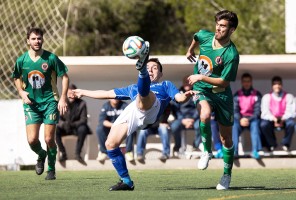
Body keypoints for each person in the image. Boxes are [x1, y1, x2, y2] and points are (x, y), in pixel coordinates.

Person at [73, 42, 195, 191]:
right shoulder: (132, 88)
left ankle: (140, 70)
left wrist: (187, 96)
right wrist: (82, 92)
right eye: (148, 68)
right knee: (110, 144)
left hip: (151, 110)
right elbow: (106, 94)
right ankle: (126, 181)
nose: (151, 70)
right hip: (134, 110)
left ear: (160, 74)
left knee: (144, 95)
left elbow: (180, 98)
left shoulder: (165, 85)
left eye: (154, 68)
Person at [186, 10, 239, 190]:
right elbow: (196, 35)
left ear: (231, 30)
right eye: (217, 23)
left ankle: (226, 175)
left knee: (226, 139)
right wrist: (190, 49)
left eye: (223, 25)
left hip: (222, 94)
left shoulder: (231, 54)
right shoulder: (206, 36)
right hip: (202, 91)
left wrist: (200, 77)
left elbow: (224, 81)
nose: (218, 27)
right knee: (205, 114)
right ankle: (206, 151)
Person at [12, 27, 69, 180]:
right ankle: (41, 154)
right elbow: (16, 77)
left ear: (42, 39)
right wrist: (21, 92)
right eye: (33, 38)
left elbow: (64, 77)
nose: (37, 41)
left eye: (39, 38)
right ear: (27, 41)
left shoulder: (51, 58)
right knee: (32, 140)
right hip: (31, 104)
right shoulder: (21, 60)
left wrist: (63, 98)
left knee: (49, 139)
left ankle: (51, 169)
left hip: (50, 102)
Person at [56, 84, 91, 163]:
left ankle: (77, 154)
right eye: (69, 93)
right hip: (64, 128)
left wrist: (72, 124)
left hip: (76, 128)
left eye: (73, 93)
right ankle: (63, 154)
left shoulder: (82, 103)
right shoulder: (61, 102)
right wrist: (64, 124)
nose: (71, 95)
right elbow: (57, 118)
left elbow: (83, 119)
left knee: (83, 128)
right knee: (55, 130)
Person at [260, 76, 296, 151]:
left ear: (281, 85)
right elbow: (265, 112)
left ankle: (285, 144)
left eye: (279, 84)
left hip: (284, 119)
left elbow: (291, 112)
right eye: (275, 84)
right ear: (272, 86)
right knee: (263, 125)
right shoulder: (266, 97)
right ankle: (272, 144)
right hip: (272, 120)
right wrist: (274, 119)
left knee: (291, 123)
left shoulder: (288, 96)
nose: (277, 86)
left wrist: (282, 119)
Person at [232, 73, 262, 159]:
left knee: (255, 125)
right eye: (244, 81)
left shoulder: (257, 94)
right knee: (234, 125)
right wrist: (241, 119)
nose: (246, 83)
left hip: (252, 119)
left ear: (251, 82)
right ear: (241, 82)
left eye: (248, 81)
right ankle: (234, 152)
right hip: (240, 119)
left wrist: (249, 119)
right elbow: (235, 110)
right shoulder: (237, 94)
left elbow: (257, 111)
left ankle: (255, 151)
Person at [170, 76, 201, 155]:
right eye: (185, 82)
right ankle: (178, 145)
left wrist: (192, 119)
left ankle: (195, 145)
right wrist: (182, 120)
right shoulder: (177, 93)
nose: (187, 84)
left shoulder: (197, 92)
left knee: (201, 125)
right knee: (174, 126)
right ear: (183, 83)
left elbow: (199, 107)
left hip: (194, 119)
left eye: (189, 82)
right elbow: (175, 109)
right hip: (181, 119)